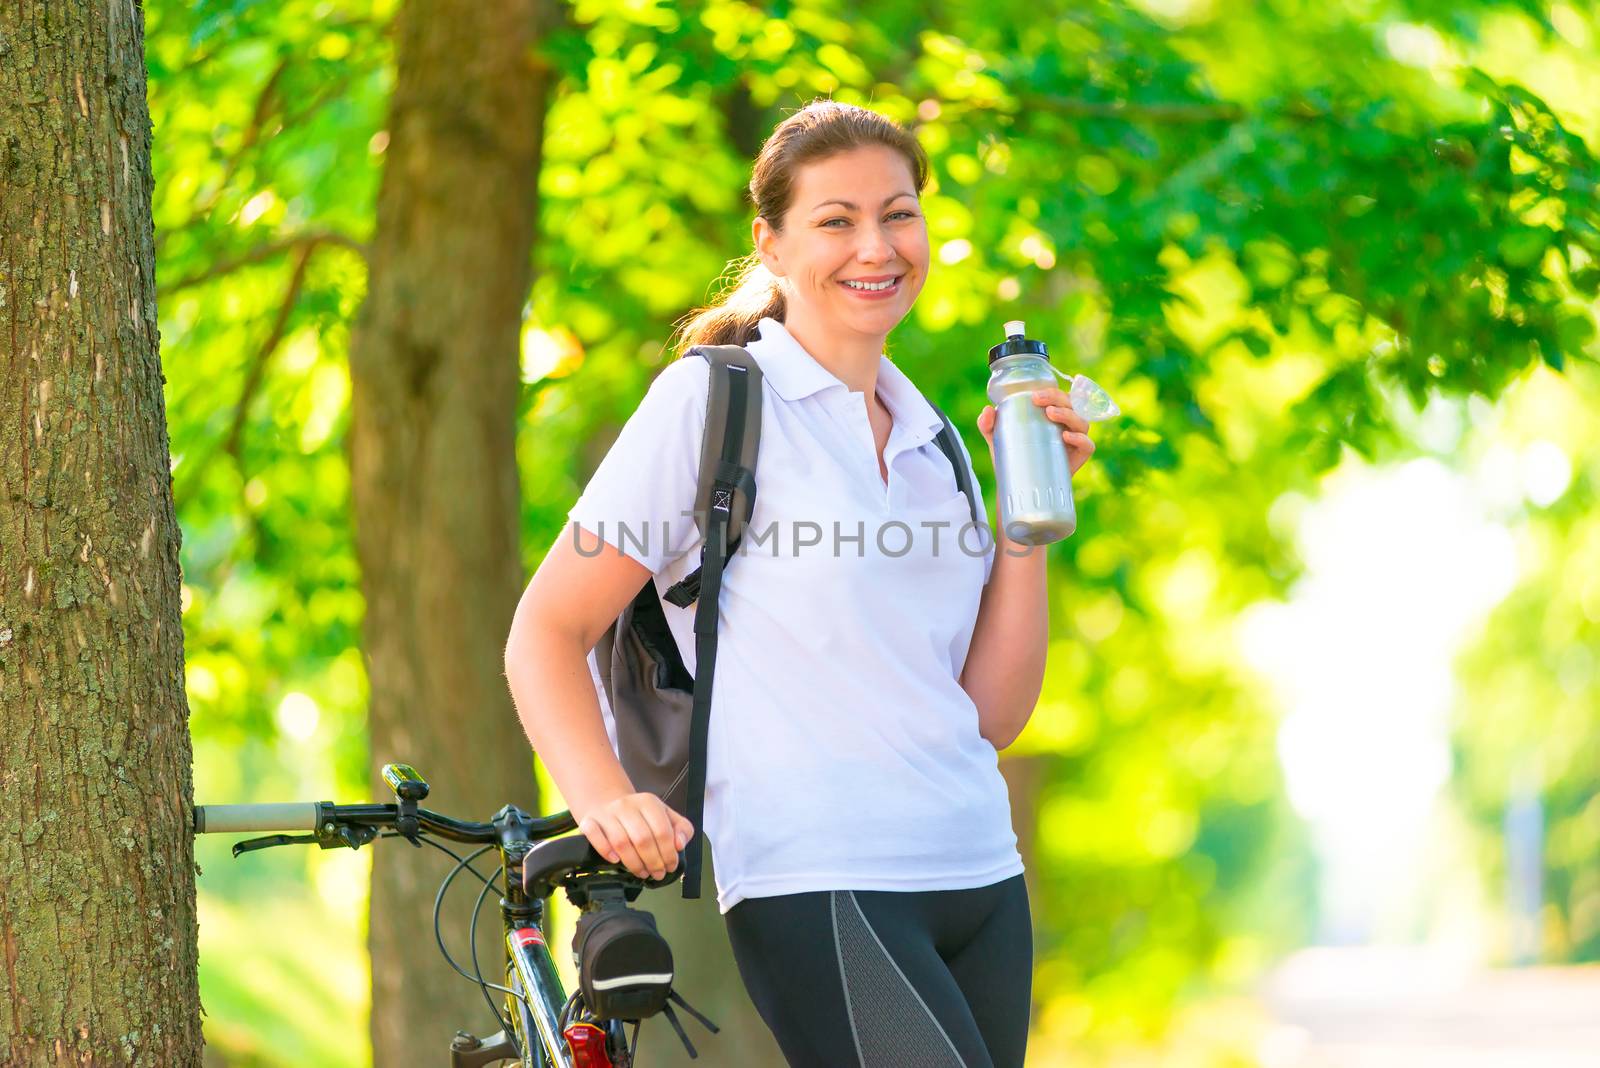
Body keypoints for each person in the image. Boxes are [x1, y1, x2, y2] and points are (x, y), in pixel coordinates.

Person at [503, 99, 1096, 1068]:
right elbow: (546, 629)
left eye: (898, 213)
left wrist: (1026, 531)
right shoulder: (715, 400)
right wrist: (603, 797)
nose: (877, 245)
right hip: (818, 873)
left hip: (981, 873)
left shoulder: (935, 436)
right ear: (770, 245)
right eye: (837, 219)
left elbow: (988, 714)